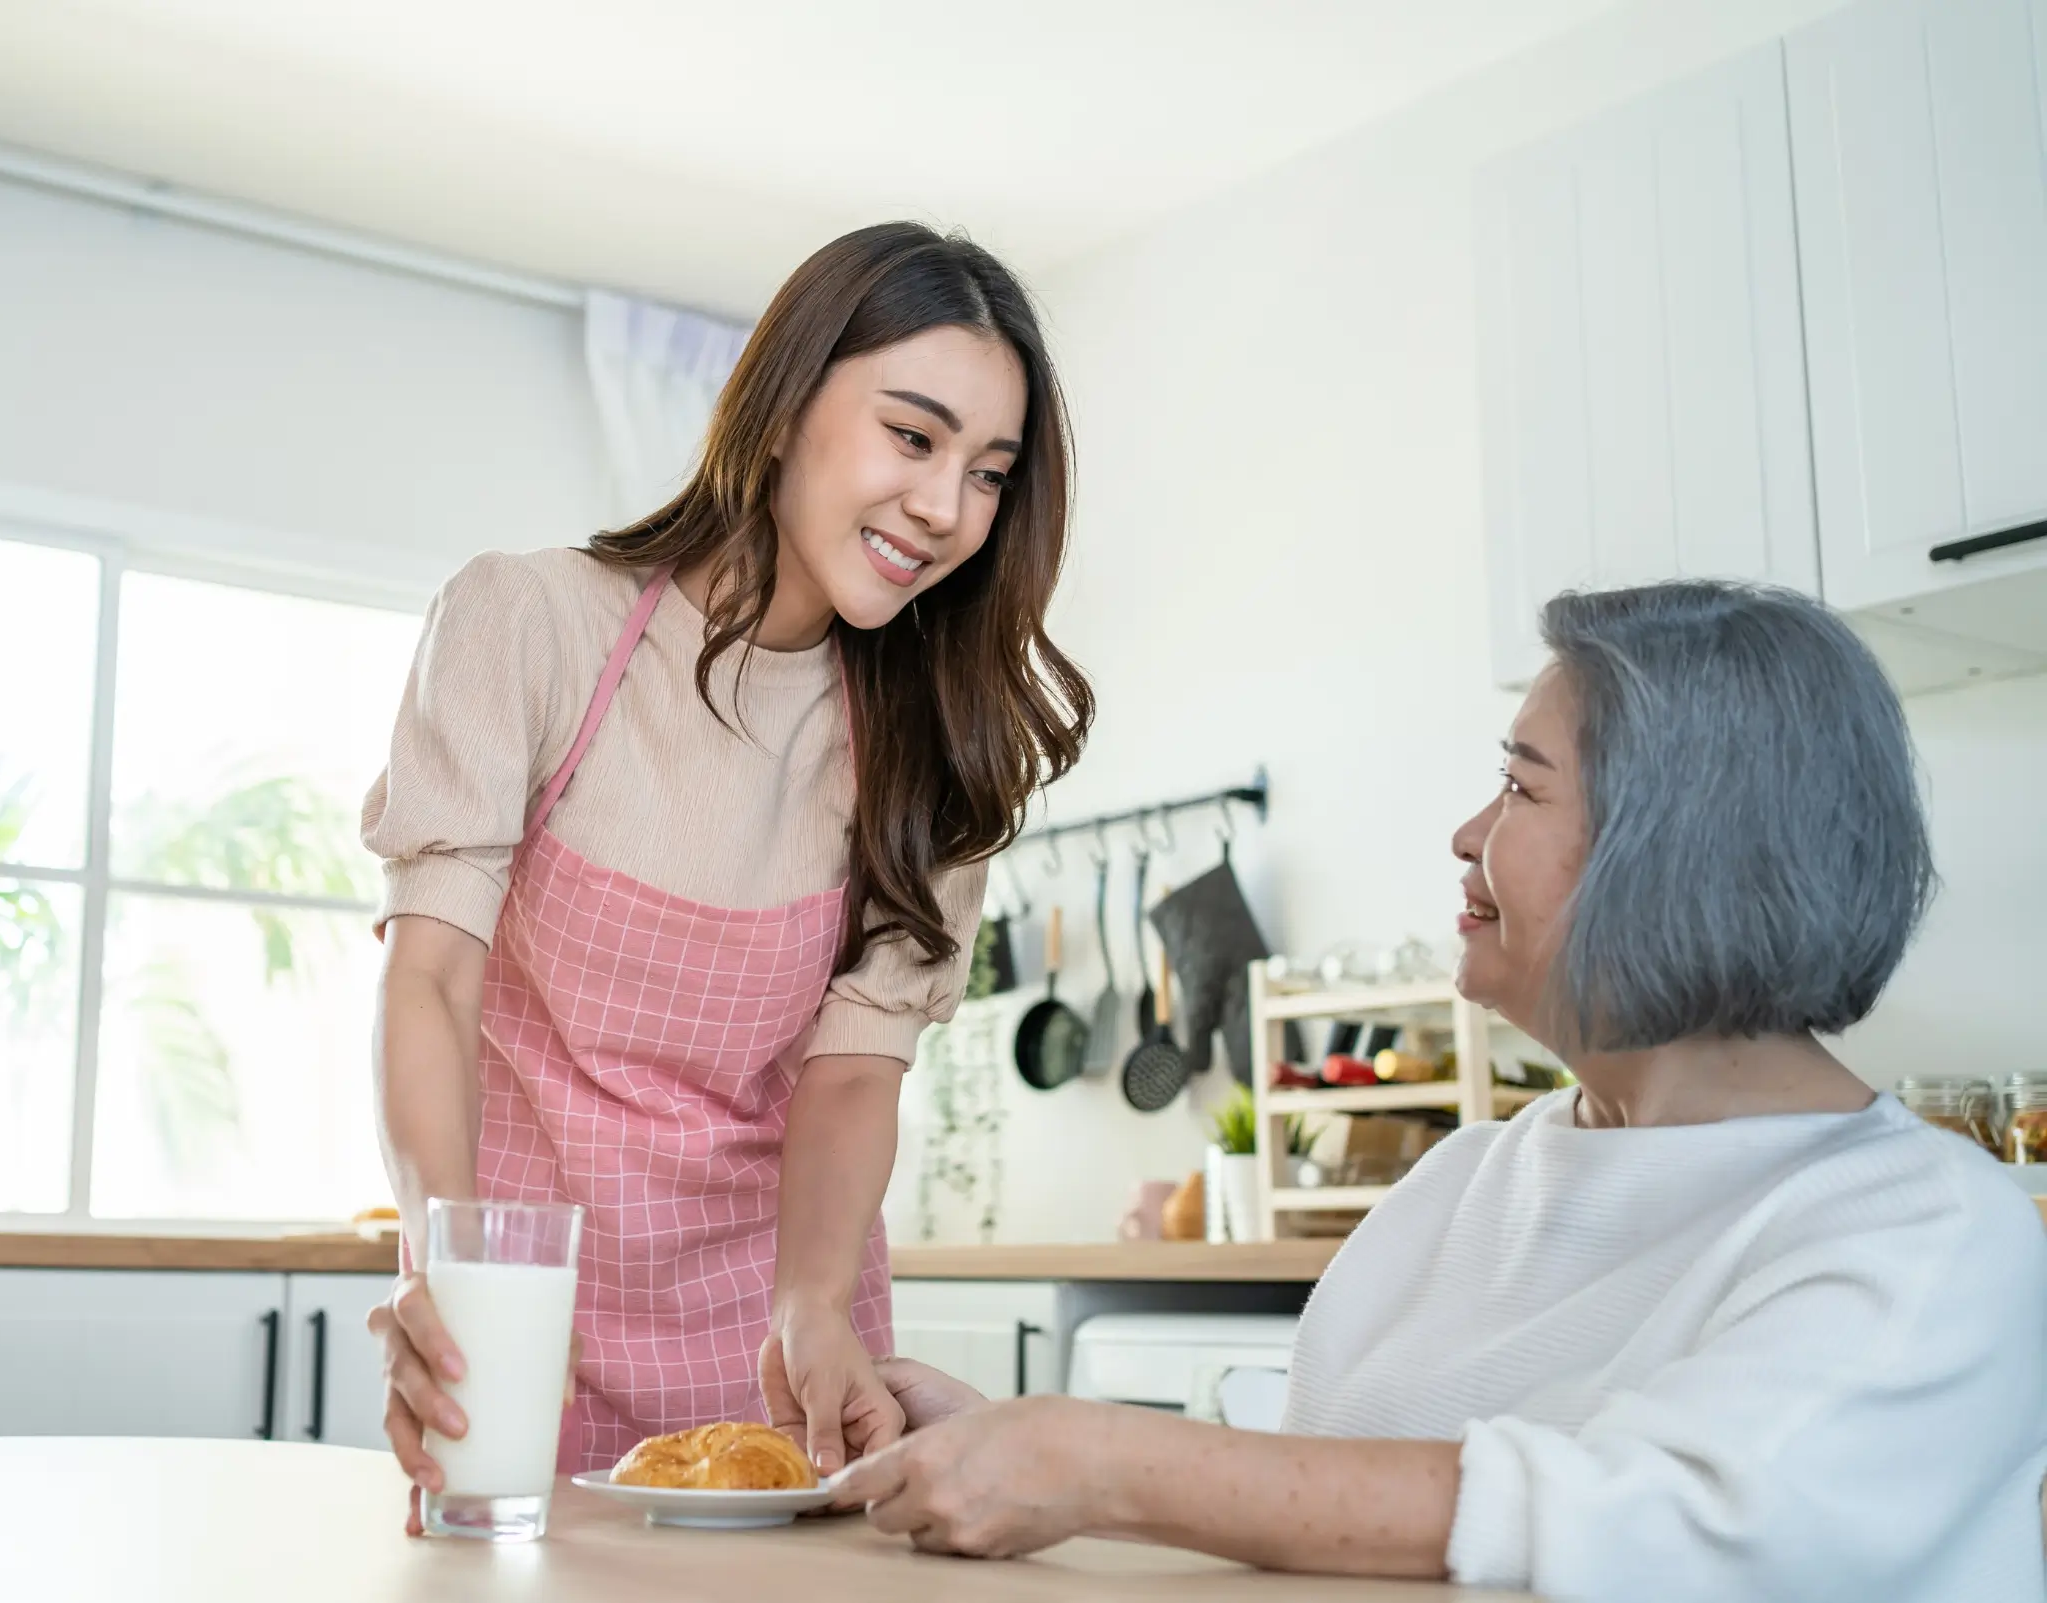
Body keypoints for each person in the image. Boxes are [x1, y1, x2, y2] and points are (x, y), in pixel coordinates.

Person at [835, 581, 2047, 1601]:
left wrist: (1108, 1463)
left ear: (1678, 849)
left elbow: (1685, 1520)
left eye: (1522, 789)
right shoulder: (1464, 1179)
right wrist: (1003, 1441)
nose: (1468, 833)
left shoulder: (1935, 1234)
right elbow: (1319, 1498)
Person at [360, 222, 1091, 1530]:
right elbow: (433, 979)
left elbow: (854, 1068)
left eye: (989, 471)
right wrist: (446, 1268)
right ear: (781, 406)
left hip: (789, 1350)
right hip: (524, 1329)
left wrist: (812, 1305)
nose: (946, 506)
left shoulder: (940, 751)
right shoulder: (530, 624)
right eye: (912, 436)